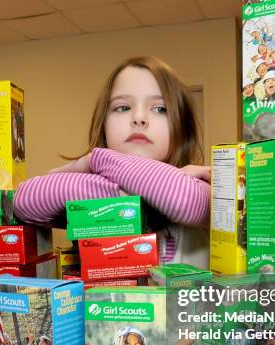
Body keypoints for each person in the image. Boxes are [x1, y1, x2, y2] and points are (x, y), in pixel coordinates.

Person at [13, 56, 210, 269]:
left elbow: (183, 199)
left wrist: (96, 159)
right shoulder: (92, 188)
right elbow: (24, 200)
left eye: (160, 108)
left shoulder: (198, 182)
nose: (139, 118)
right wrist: (107, 186)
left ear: (182, 127)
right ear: (103, 124)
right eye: (123, 107)